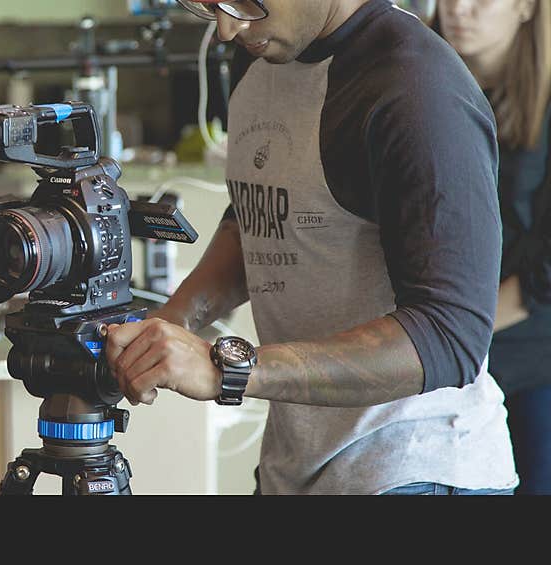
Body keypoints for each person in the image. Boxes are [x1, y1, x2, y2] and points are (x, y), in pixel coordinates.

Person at [104, 0, 519, 495]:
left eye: (244, 4)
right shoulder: (263, 50)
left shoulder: (415, 88)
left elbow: (451, 334)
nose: (226, 28)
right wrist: (174, 319)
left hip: (416, 469)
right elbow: (259, 216)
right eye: (209, 4)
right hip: (297, 467)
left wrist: (229, 369)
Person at [436, 0, 551, 495]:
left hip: (529, 362)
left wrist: (452, 332)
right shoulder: (425, 88)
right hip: (446, 361)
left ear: (527, 7)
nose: (459, 9)